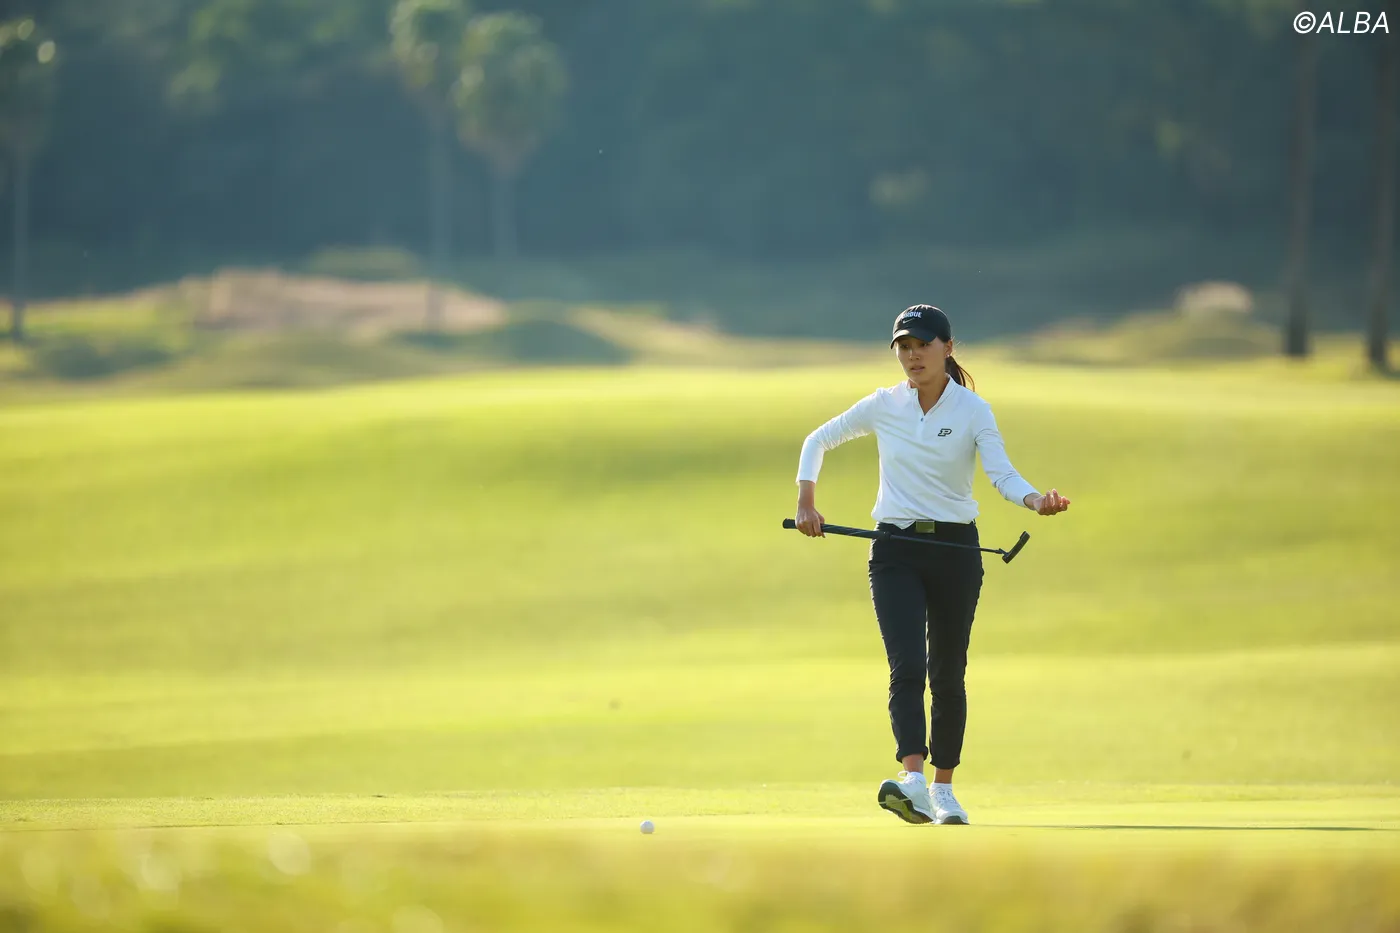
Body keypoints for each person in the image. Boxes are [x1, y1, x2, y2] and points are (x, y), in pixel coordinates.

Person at [792, 304, 1070, 826]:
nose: (913, 355)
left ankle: (944, 789)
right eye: (904, 347)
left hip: (955, 551)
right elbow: (817, 440)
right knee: (907, 666)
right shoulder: (884, 404)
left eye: (923, 345)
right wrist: (807, 502)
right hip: (894, 548)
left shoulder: (973, 410)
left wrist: (1035, 500)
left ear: (947, 348)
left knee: (947, 671)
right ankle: (913, 781)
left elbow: (1001, 474)